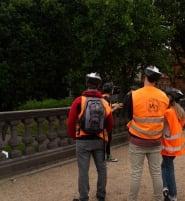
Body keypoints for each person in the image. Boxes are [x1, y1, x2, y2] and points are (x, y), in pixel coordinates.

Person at [124, 66, 169, 201]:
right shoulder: (164, 97)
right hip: (155, 140)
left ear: (144, 77)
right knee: (156, 173)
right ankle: (159, 199)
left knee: (136, 174)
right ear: (156, 80)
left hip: (137, 140)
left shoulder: (133, 95)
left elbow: (128, 116)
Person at [67, 72, 114, 201]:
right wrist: (103, 132)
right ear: (98, 85)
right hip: (99, 140)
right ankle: (101, 194)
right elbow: (110, 124)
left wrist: (74, 136)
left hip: (82, 140)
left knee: (83, 170)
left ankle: (83, 197)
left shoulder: (79, 100)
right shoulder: (104, 102)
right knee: (102, 168)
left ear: (86, 84)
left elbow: (70, 122)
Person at [161, 88, 185, 201]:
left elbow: (161, 127)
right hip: (176, 145)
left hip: (168, 145)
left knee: (168, 168)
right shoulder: (179, 110)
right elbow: (180, 125)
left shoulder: (167, 112)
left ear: (170, 98)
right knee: (164, 166)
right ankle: (165, 187)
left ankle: (173, 195)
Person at [102, 82, 122, 162]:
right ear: (110, 90)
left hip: (102, 122)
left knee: (104, 139)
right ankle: (108, 156)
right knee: (108, 139)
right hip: (106, 122)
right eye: (112, 88)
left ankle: (103, 155)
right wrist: (115, 108)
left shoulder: (103, 97)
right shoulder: (107, 98)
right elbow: (108, 111)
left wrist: (113, 105)